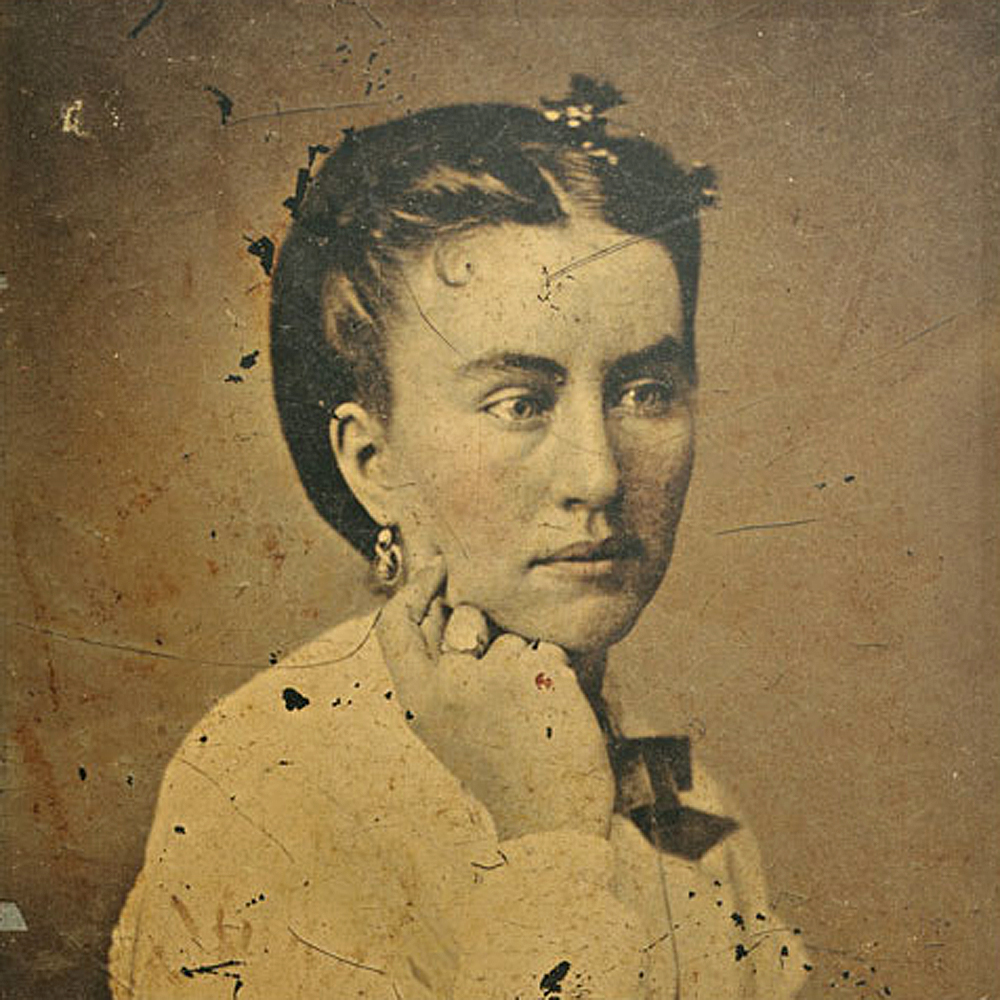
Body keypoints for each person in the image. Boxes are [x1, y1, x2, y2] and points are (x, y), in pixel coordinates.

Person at [109, 77, 810, 999]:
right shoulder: (269, 789)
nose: (599, 475)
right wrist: (548, 843)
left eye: (645, 393)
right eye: (519, 402)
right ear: (373, 461)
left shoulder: (682, 795)